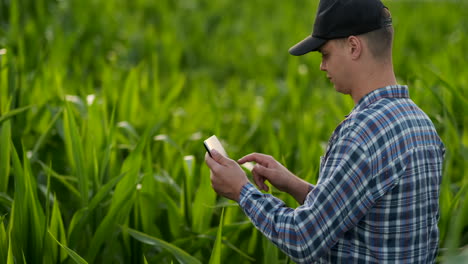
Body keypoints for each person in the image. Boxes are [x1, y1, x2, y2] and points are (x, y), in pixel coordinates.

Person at [205, 0, 445, 263]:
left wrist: (241, 190)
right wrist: (294, 185)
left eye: (325, 53)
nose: (321, 66)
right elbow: (363, 213)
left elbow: (303, 238)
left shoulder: (363, 134)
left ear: (354, 47)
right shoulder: (421, 124)